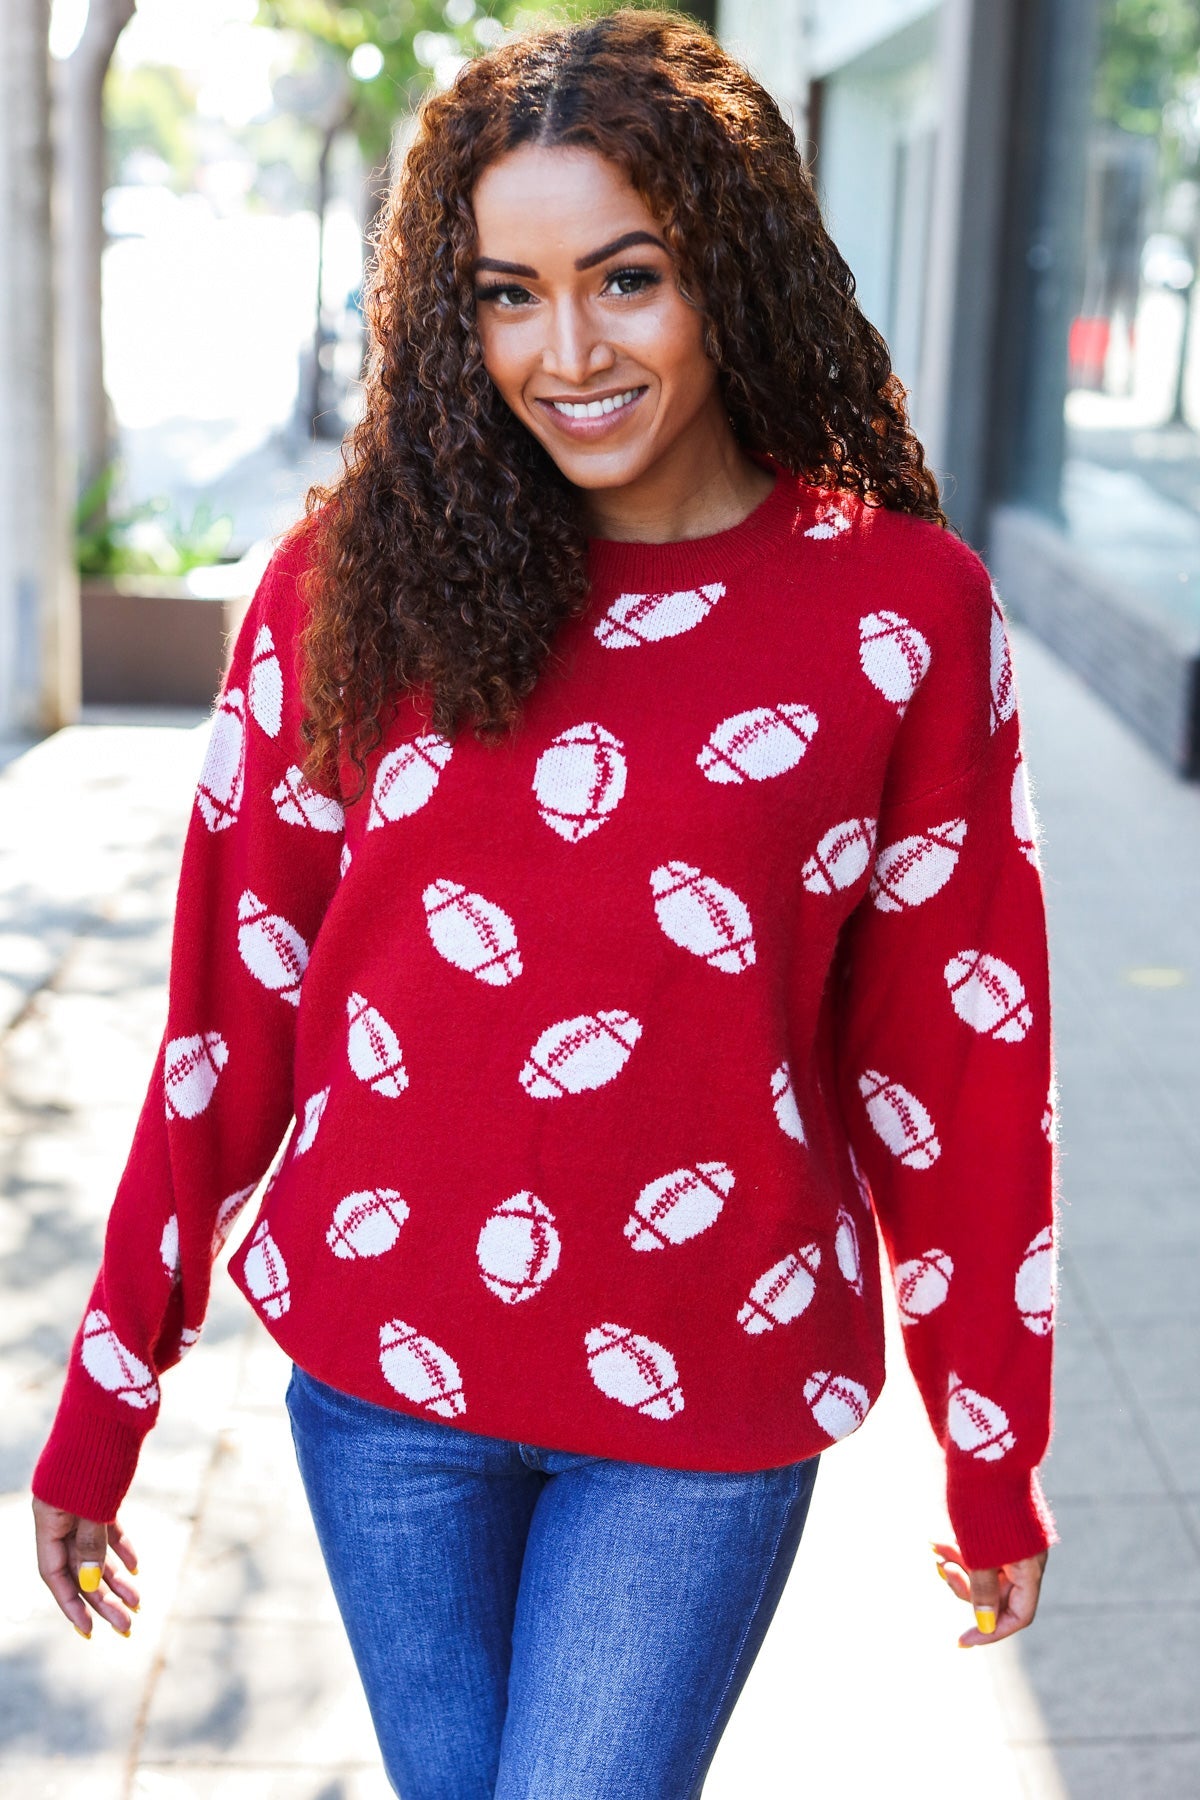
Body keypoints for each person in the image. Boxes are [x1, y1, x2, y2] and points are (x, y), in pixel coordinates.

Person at [31, 11, 1058, 1796]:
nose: (565, 350)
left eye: (624, 278)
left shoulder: (900, 614)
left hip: (706, 1402)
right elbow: (226, 1022)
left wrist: (992, 1441)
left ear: (727, 268)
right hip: (385, 1388)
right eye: (508, 291)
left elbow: (953, 1063)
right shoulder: (350, 585)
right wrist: (105, 1399)